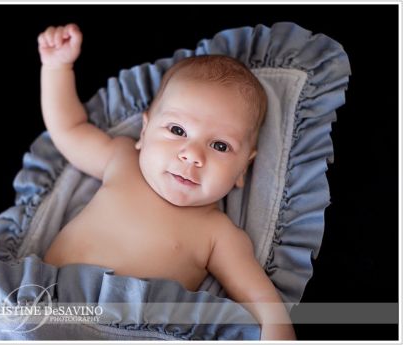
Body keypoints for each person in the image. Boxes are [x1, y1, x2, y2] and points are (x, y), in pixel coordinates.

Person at [38, 23, 295, 340]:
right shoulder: (122, 162)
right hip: (42, 307)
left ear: (244, 168)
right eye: (177, 131)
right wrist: (56, 67)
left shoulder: (219, 235)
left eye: (219, 146)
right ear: (144, 132)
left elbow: (264, 305)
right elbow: (69, 128)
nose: (192, 155)